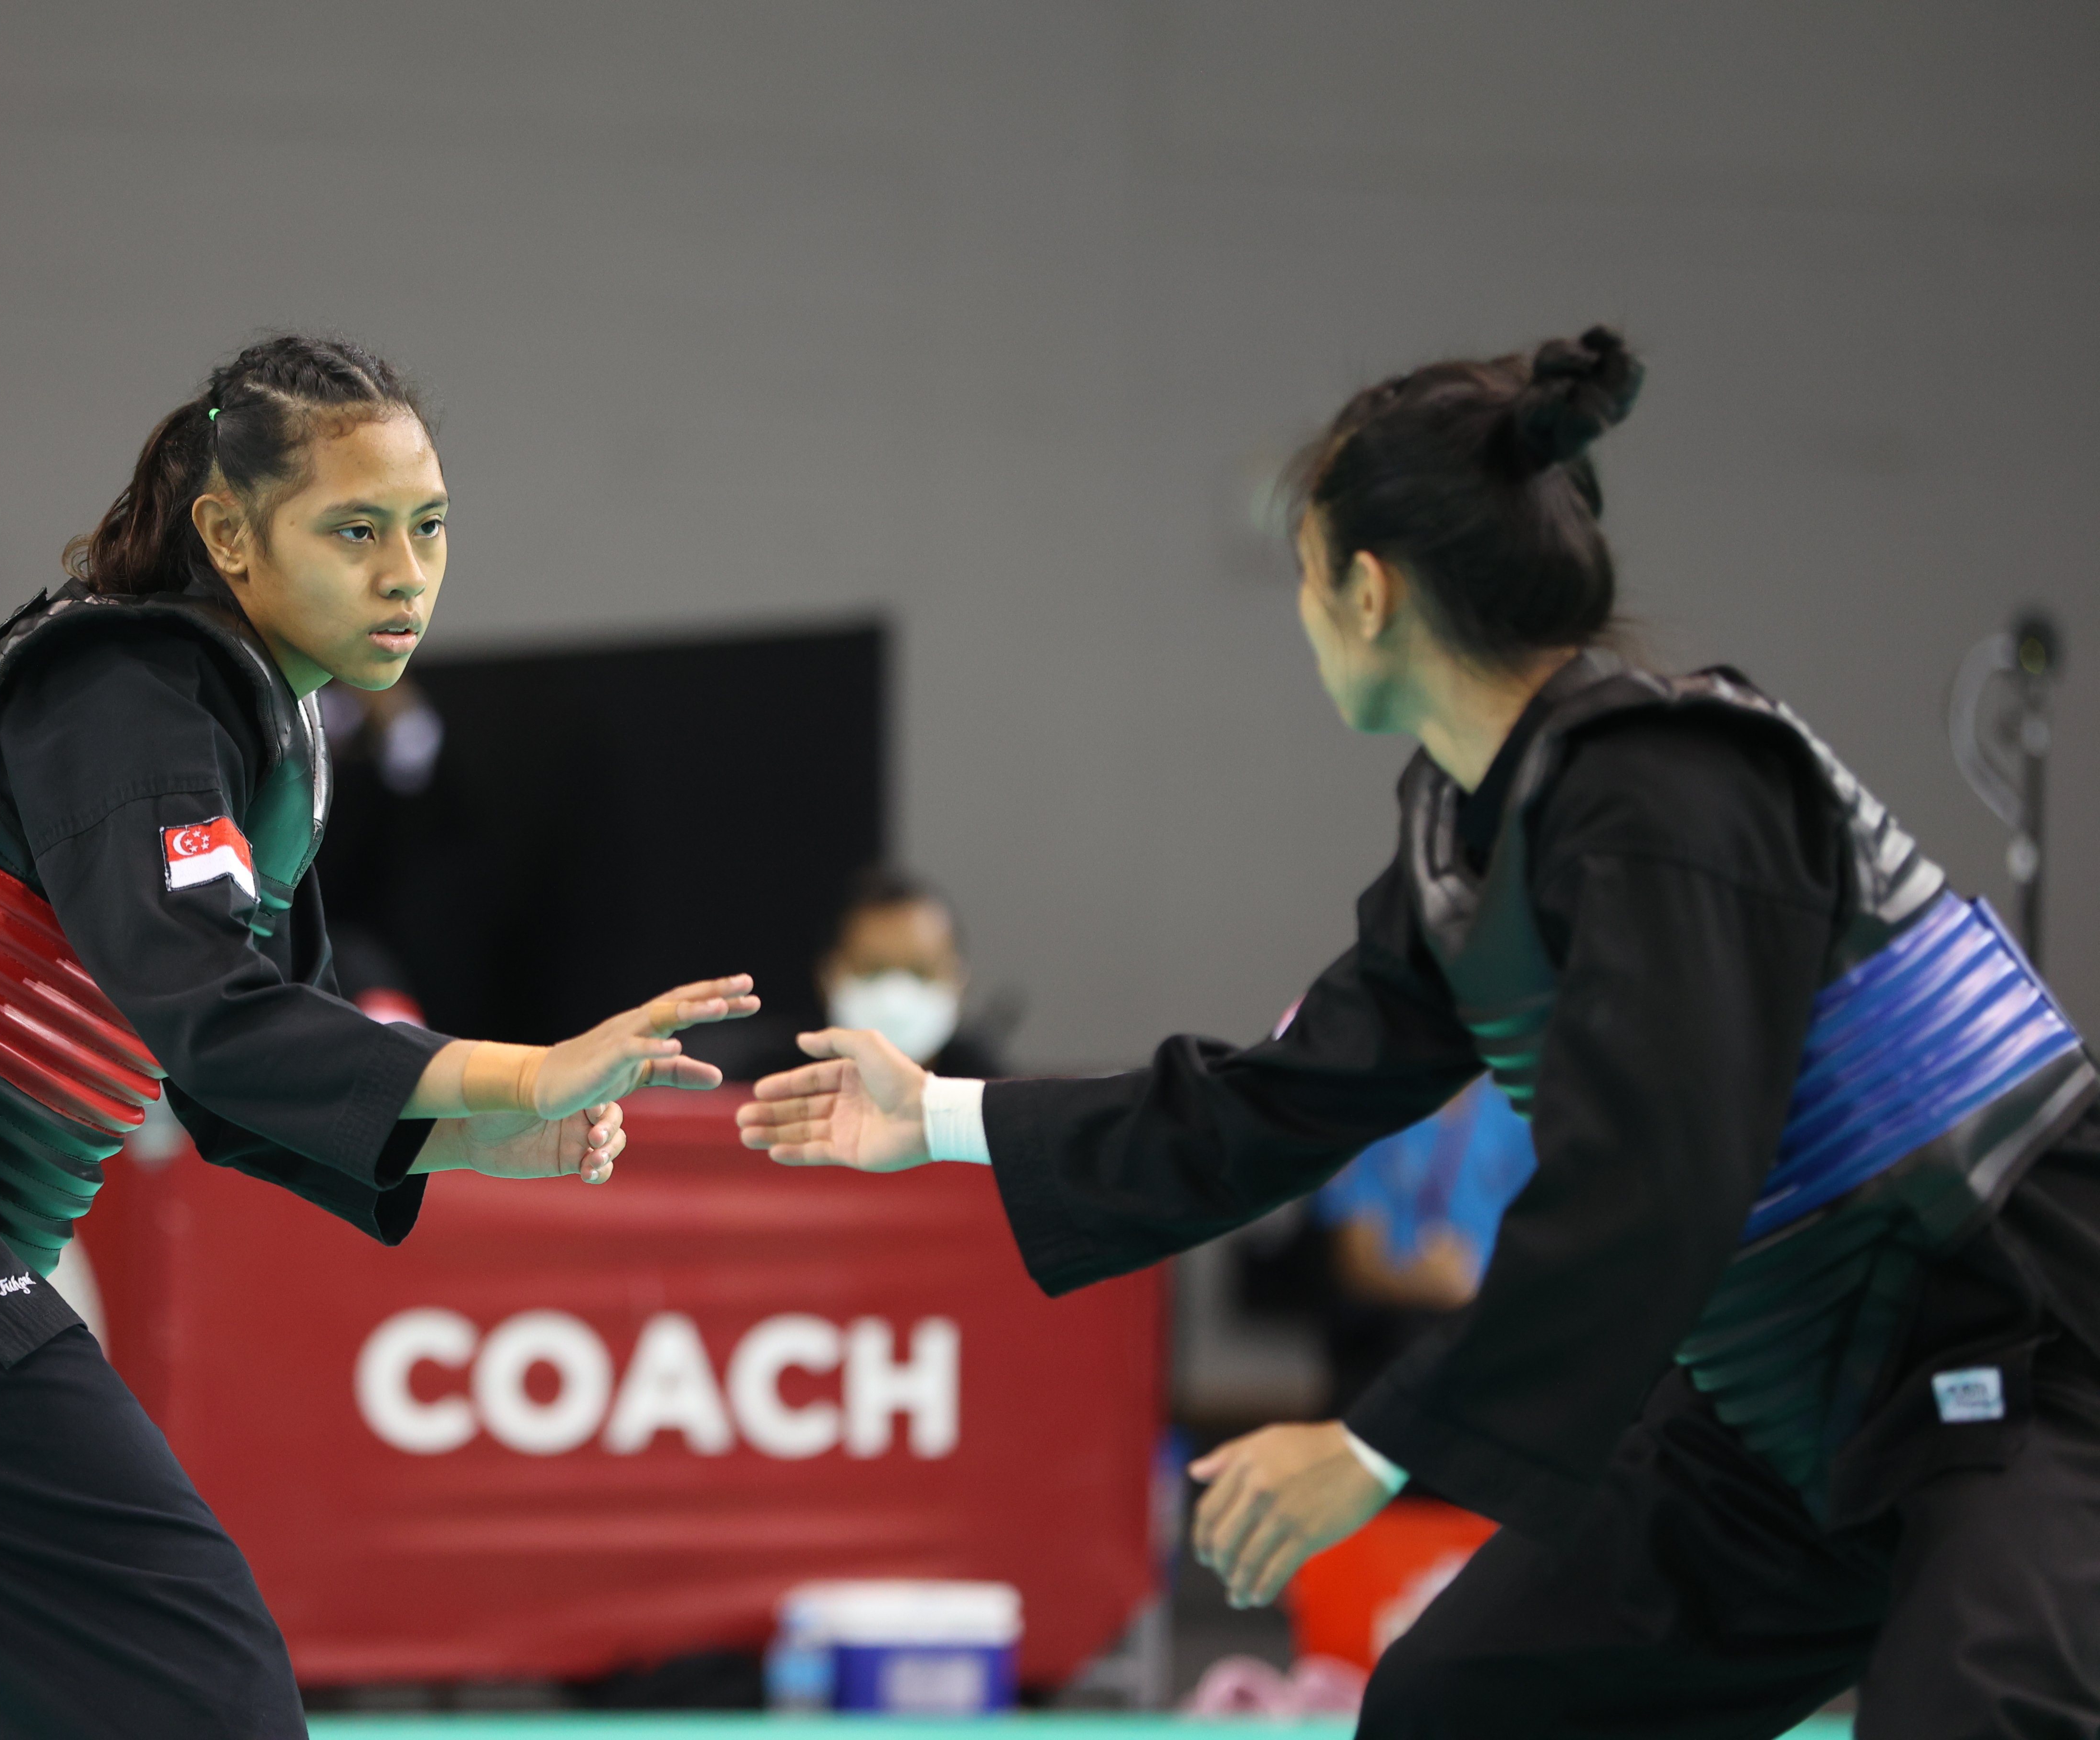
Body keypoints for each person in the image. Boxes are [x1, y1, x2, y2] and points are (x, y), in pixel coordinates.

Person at [738, 327, 2100, 1737]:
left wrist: (1376, 1442)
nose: (1306, 611)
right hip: (1787, 1412)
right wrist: (940, 1116)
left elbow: (1654, 1184)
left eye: (1306, 578)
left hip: (2025, 1356)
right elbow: (1277, 1098)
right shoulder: (1466, 844)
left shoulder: (1681, 792)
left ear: (1369, 592)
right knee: (1460, 1708)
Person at [0, 334, 759, 1739]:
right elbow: (209, 1012)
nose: (406, 571)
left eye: (428, 528)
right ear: (228, 535)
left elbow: (239, 1077)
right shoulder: (134, 687)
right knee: (183, 1684)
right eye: (353, 531)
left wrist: (487, 1124)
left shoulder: (263, 723)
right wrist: (520, 1067)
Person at [1312, 1075, 1533, 1414]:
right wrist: (1424, 1283)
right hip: (1390, 1336)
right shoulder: (1371, 1118)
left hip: (1493, 1334)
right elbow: (1355, 1263)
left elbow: (1547, 1242)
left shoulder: (1520, 1117)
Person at [693, 867, 1003, 1080]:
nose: (897, 996)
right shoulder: (766, 1087)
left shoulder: (995, 1105)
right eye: (873, 971)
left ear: (959, 980)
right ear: (830, 976)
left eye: (921, 972)